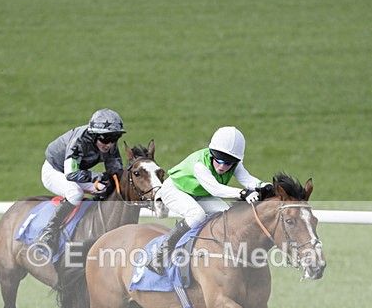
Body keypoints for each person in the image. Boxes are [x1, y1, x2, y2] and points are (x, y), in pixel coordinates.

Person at [148, 126, 268, 273]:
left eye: (228, 163)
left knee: (228, 214)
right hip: (175, 190)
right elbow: (215, 189)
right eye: (219, 160)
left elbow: (248, 179)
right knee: (196, 215)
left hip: (199, 193)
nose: (223, 166)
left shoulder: (234, 164)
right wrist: (243, 193)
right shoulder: (200, 164)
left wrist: (265, 186)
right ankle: (160, 254)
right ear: (212, 154)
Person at [35, 108, 126, 254]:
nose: (109, 144)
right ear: (94, 135)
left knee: (103, 189)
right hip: (55, 171)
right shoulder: (80, 140)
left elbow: (116, 172)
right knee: (74, 193)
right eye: (105, 139)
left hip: (78, 172)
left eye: (114, 138)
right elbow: (71, 175)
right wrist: (97, 176)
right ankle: (47, 233)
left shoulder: (110, 146)